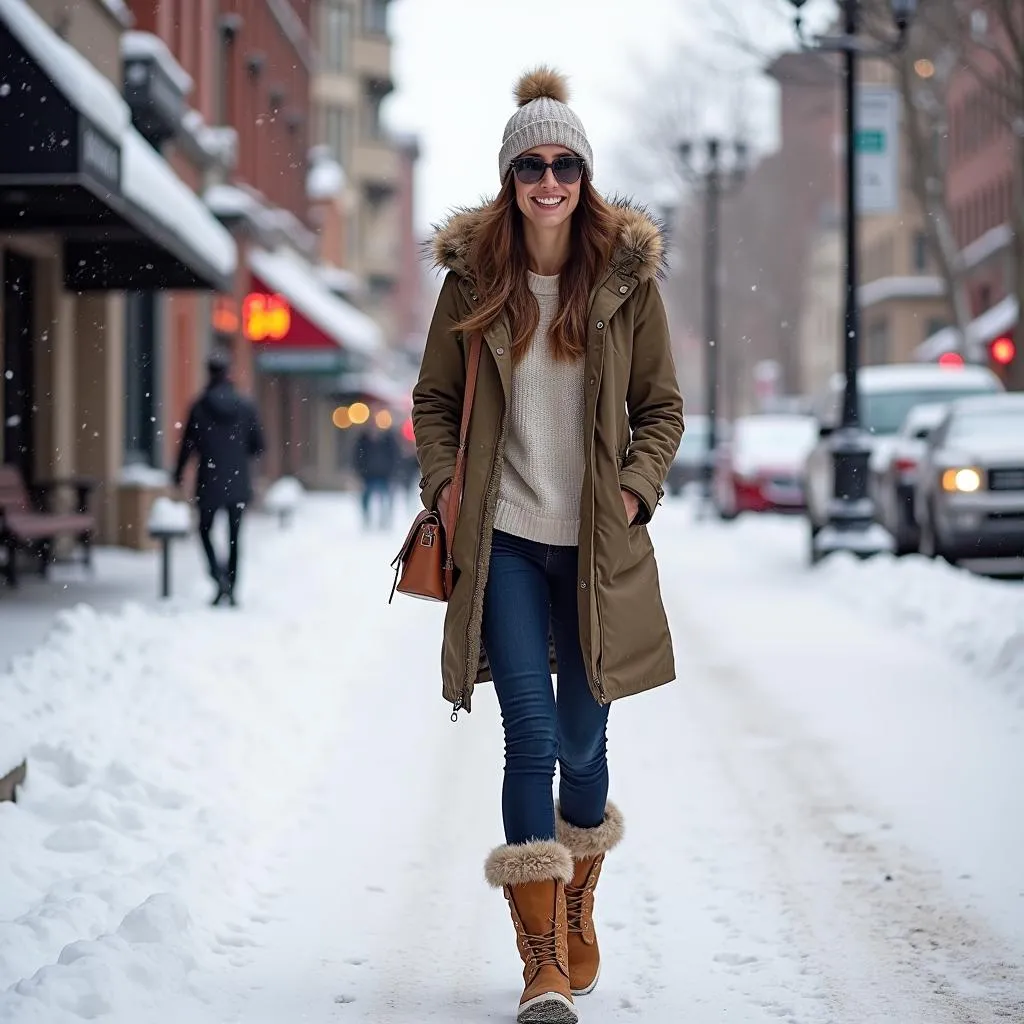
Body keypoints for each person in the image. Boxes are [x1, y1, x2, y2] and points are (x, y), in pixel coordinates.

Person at [411, 67, 683, 1024]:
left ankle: (576, 901)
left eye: (565, 162)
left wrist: (636, 491)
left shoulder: (624, 282)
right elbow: (435, 402)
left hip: (596, 546)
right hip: (507, 544)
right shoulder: (473, 282)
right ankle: (541, 963)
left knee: (582, 737)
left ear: (585, 174)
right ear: (509, 176)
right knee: (527, 735)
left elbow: (662, 410)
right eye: (533, 163)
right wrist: (442, 484)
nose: (550, 179)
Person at [173, 349, 265, 607]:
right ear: (228, 373)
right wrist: (236, 453)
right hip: (237, 480)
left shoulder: (200, 406)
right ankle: (232, 587)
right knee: (235, 537)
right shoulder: (245, 406)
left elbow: (187, 445)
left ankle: (218, 577)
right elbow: (258, 445)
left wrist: (178, 474)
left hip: (209, 480)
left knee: (204, 530)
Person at [354, 416, 400, 529]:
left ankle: (385, 521)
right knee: (365, 499)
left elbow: (395, 457)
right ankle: (367, 520)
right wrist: (359, 474)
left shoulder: (389, 440)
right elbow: (356, 458)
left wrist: (393, 473)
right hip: (367, 476)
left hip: (385, 476)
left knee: (386, 500)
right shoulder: (363, 441)